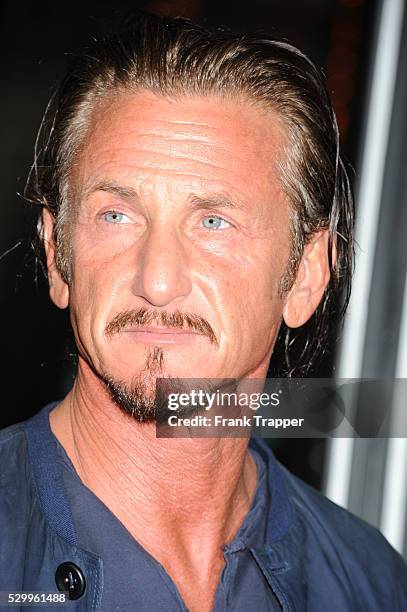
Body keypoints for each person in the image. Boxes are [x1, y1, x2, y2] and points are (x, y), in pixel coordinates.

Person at [0, 11, 406, 611]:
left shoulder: (368, 582)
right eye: (117, 215)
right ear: (58, 255)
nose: (157, 281)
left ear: (306, 274)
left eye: (213, 222)